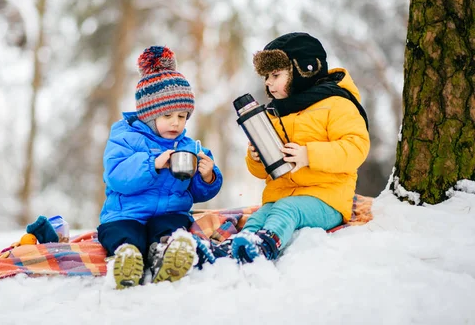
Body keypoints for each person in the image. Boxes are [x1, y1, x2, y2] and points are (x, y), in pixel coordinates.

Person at [228, 32, 370, 263]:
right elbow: (261, 172)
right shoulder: (274, 113)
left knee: (286, 211)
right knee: (259, 216)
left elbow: (356, 148)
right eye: (266, 76)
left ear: (305, 69)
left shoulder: (336, 104)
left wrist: (308, 155)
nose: (268, 82)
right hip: (281, 195)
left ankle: (265, 245)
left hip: (327, 199)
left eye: (276, 74)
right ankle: (237, 245)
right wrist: (256, 158)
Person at [97, 45, 223, 289]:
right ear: (148, 114)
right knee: (122, 232)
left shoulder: (188, 146)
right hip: (126, 213)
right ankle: (126, 258)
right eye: (168, 116)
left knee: (171, 227)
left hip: (169, 213)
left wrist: (207, 177)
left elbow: (197, 193)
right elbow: (116, 175)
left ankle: (166, 253)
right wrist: (153, 164)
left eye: (182, 116)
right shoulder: (125, 137)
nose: (176, 123)